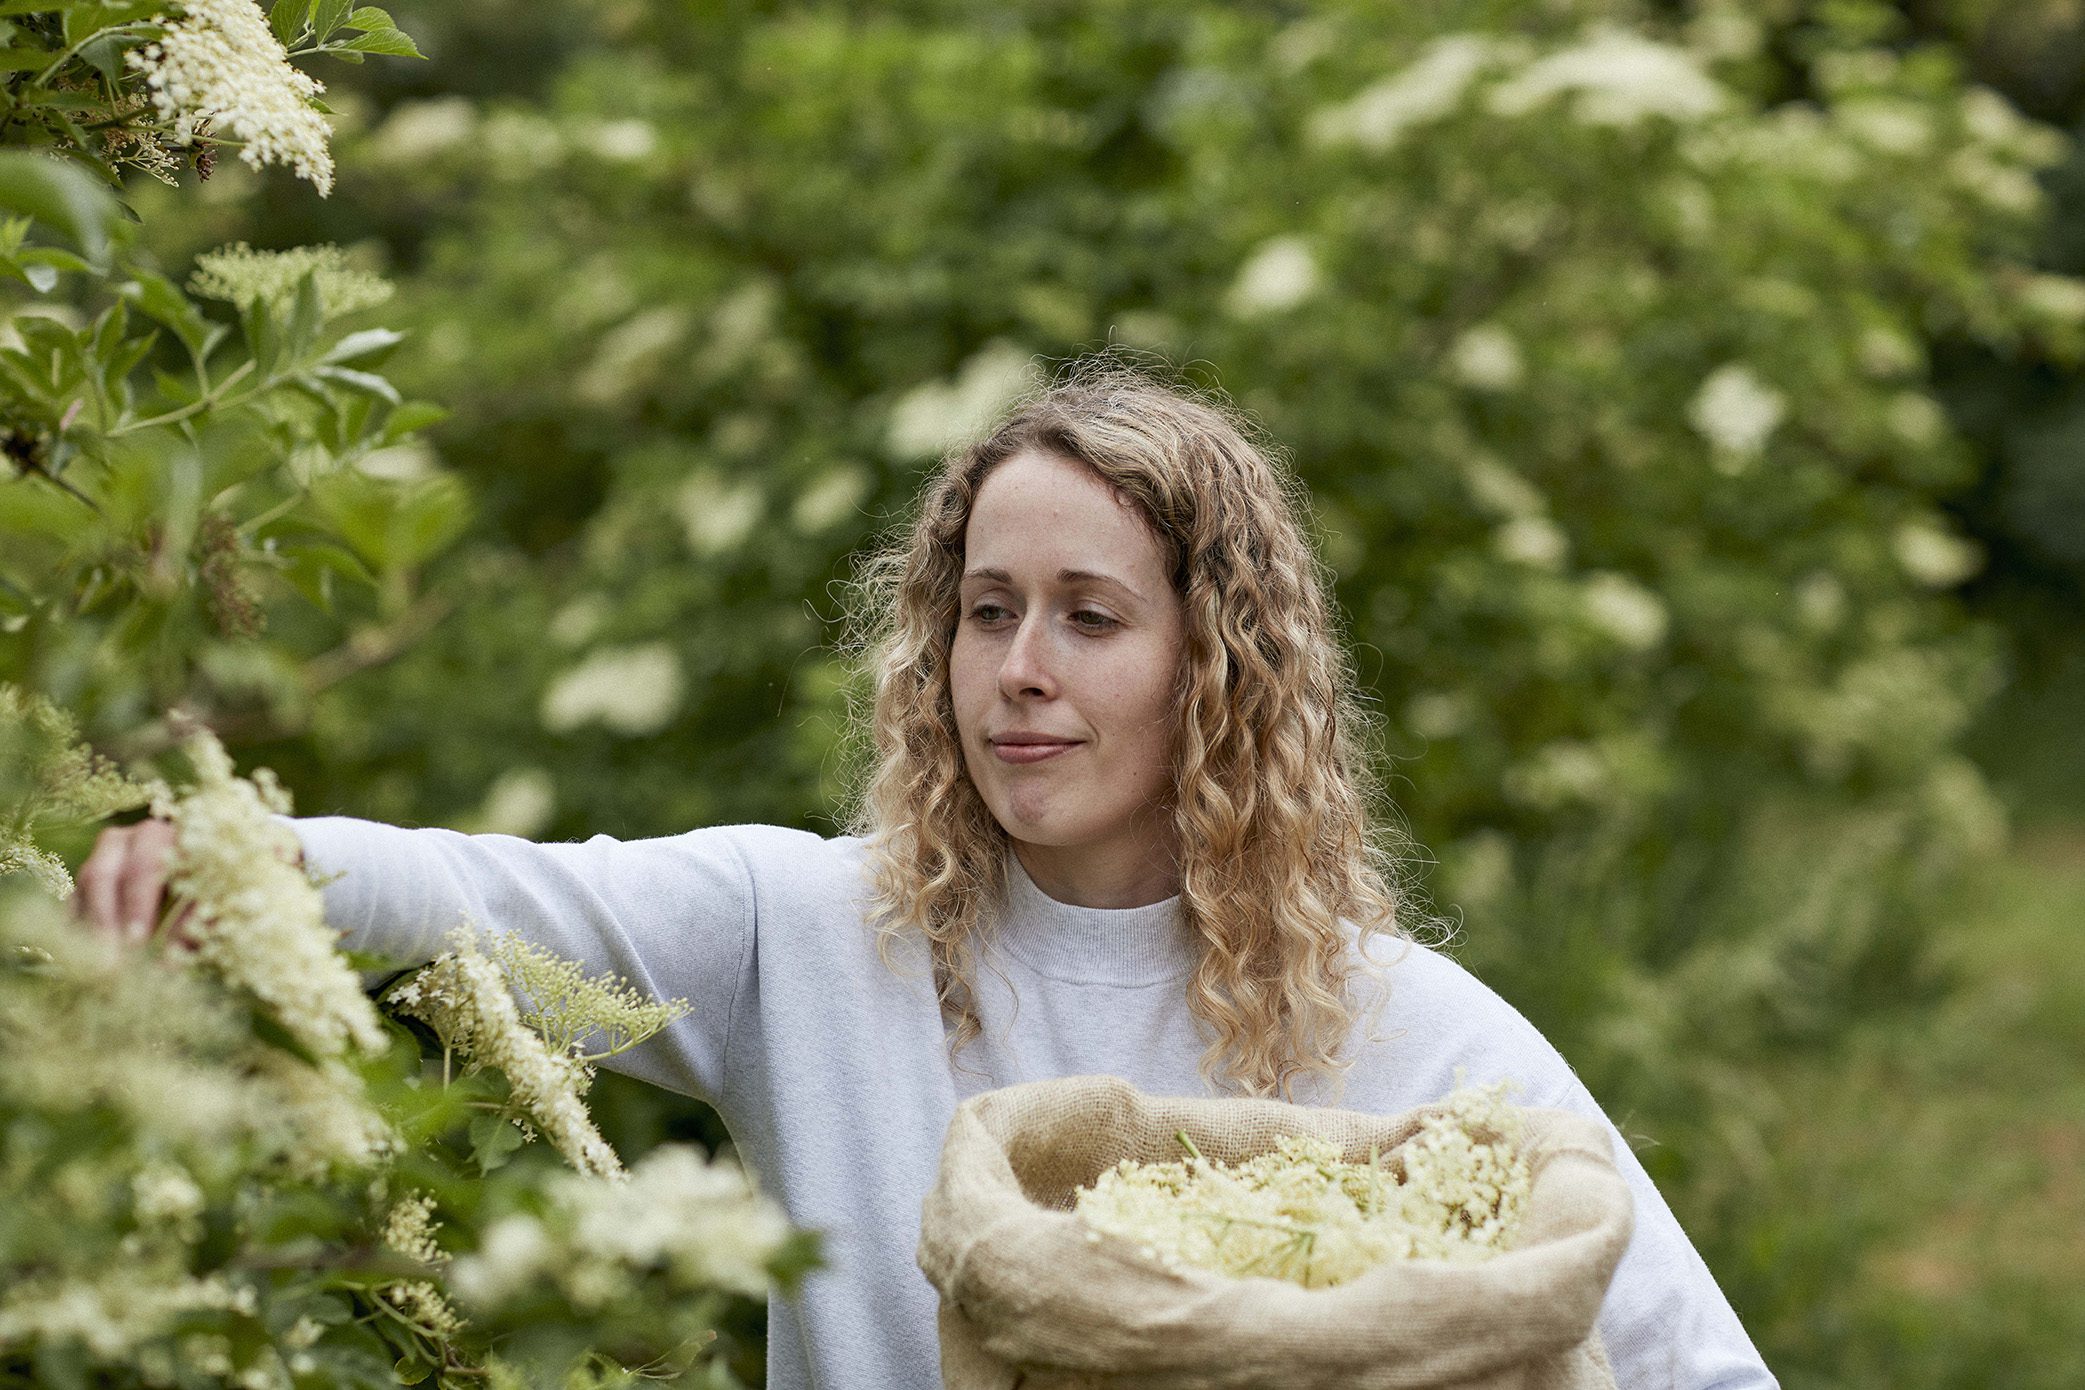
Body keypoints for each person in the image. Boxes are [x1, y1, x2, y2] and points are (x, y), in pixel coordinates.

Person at [76, 362, 1778, 1389]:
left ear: (1220, 672)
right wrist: (223, 848)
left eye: (1089, 617)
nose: (1017, 668)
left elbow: (1691, 1364)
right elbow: (474, 893)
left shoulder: (1406, 1034)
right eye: (985, 609)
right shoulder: (804, 931)